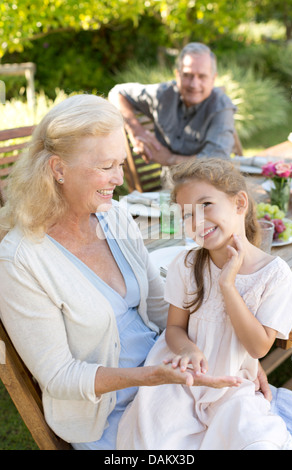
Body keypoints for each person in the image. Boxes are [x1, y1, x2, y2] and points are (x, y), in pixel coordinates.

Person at [0, 94, 243, 450]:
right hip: (112, 419)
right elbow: (60, 377)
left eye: (120, 164)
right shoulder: (19, 260)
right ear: (58, 169)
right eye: (105, 166)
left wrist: (238, 360)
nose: (118, 178)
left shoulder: (113, 215)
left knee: (259, 423)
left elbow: (163, 311)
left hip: (169, 384)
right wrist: (152, 377)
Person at [116, 158, 292, 450]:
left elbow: (257, 348)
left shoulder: (275, 277)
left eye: (206, 205)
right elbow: (174, 328)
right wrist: (188, 349)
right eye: (186, 215)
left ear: (240, 203)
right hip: (182, 377)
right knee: (157, 442)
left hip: (231, 384)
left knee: (256, 441)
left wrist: (227, 284)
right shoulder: (187, 265)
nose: (197, 221)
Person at [108, 42, 237, 166]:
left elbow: (216, 161)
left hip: (208, 183)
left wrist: (170, 159)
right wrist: (136, 130)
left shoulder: (221, 106)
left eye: (202, 76)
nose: (194, 84)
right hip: (168, 184)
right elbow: (117, 93)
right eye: (187, 75)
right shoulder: (162, 95)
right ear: (177, 74)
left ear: (213, 79)